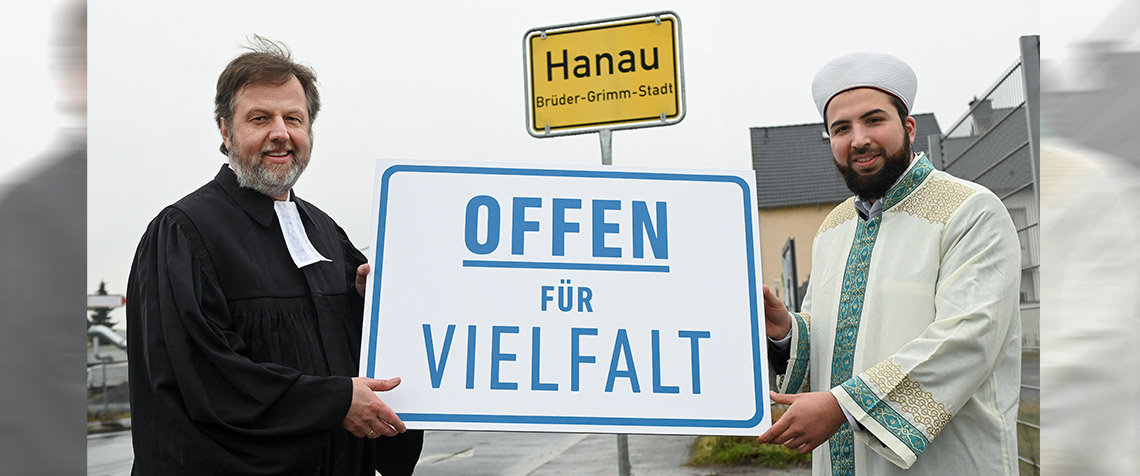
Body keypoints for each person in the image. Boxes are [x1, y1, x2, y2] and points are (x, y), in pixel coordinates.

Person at [126, 36, 423, 475]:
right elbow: (204, 379)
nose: (280, 133)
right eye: (260, 118)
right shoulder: (183, 233)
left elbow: (363, 363)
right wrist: (333, 403)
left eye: (294, 119)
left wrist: (369, 306)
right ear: (226, 131)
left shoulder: (326, 233)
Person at [757, 52, 1021, 475]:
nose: (858, 139)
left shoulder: (970, 211)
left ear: (908, 128)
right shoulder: (833, 228)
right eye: (841, 128)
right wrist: (787, 333)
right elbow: (836, 343)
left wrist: (844, 406)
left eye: (874, 120)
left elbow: (967, 339)